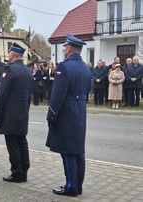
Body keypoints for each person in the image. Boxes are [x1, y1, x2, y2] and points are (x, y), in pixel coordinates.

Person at [46, 34, 91, 197]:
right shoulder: (86, 67)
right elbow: (87, 91)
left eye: (65, 47)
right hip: (80, 111)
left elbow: (57, 95)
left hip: (66, 112)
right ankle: (78, 186)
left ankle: (71, 186)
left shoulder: (64, 67)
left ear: (70, 49)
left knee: (67, 151)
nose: (64, 50)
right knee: (78, 151)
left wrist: (51, 116)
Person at [0, 42, 33, 183]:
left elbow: (2, 94)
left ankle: (16, 172)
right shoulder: (28, 71)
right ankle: (24, 172)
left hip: (10, 113)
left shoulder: (9, 70)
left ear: (12, 54)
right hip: (23, 112)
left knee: (13, 144)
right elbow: (29, 95)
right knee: (22, 142)